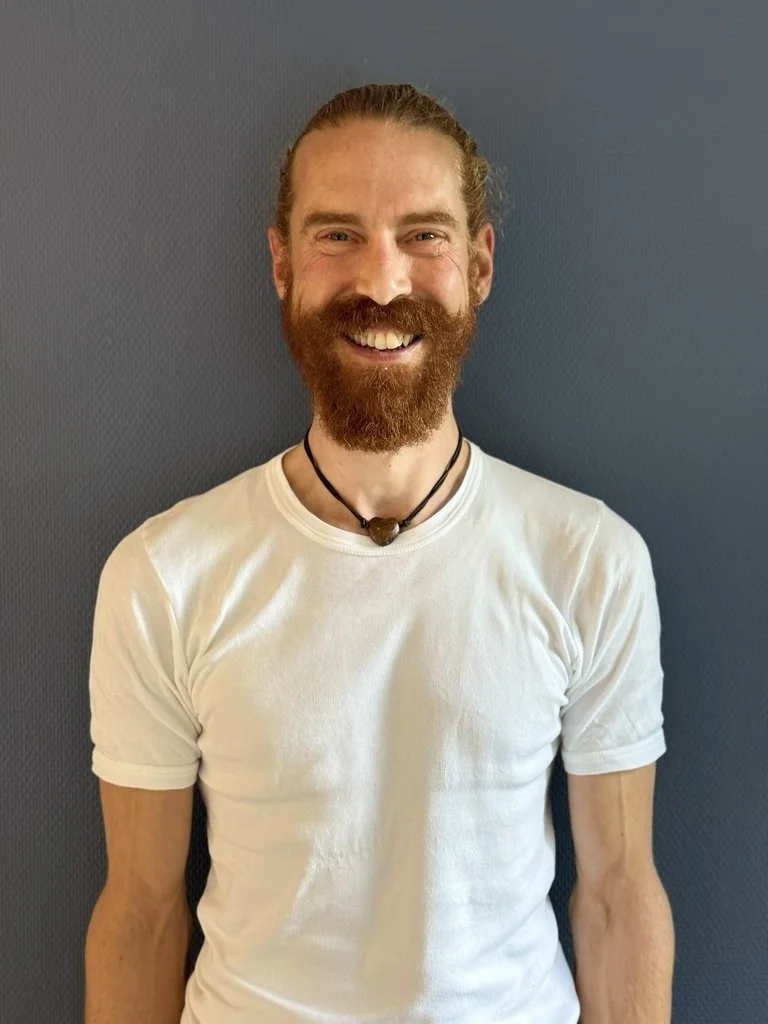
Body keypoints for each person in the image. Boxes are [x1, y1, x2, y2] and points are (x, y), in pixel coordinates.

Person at [84, 83, 675, 1024]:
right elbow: (142, 914)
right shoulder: (163, 575)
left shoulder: (589, 559)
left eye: (423, 234)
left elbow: (616, 896)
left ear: (479, 264)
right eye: (338, 235)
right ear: (282, 264)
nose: (384, 281)